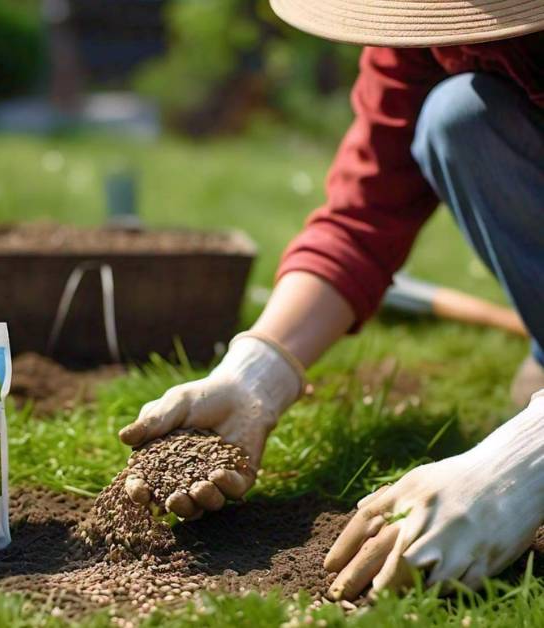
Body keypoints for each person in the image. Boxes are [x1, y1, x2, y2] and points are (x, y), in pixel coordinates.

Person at [118, 0, 544, 602]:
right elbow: (361, 220)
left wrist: (525, 467)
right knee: (460, 114)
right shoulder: (426, 29)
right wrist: (257, 373)